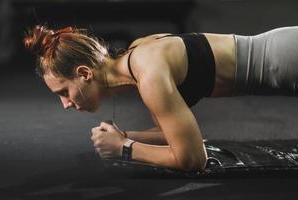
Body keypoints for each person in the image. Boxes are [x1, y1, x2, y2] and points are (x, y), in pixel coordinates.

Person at [24, 25, 298, 172]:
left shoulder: (149, 72)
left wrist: (125, 148)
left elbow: (193, 159)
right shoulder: (137, 57)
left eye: (64, 92)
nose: (66, 104)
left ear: (84, 73)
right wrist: (125, 135)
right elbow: (170, 134)